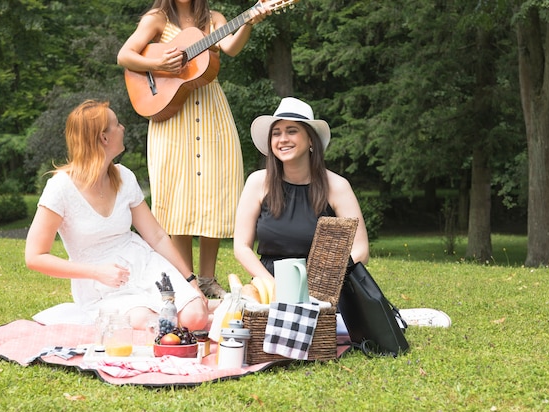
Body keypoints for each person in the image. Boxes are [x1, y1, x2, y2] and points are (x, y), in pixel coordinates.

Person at [116, 0, 271, 298]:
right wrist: (157, 65)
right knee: (178, 195)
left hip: (211, 112)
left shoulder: (213, 18)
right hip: (172, 114)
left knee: (214, 190)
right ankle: (185, 278)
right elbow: (125, 55)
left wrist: (250, 20)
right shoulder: (157, 19)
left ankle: (207, 278)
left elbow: (231, 47)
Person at [25, 100, 209, 331]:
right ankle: (213, 312)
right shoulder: (60, 187)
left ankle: (208, 310)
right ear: (104, 137)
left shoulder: (124, 176)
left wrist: (190, 281)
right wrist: (97, 273)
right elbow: (35, 257)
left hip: (144, 265)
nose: (122, 128)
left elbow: (157, 236)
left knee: (195, 317)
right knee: (148, 321)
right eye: (117, 124)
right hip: (100, 283)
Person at [233, 97, 370, 280]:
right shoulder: (258, 182)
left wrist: (320, 280)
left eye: (292, 131)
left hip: (323, 288)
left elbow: (361, 250)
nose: (283, 139)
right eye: (276, 133)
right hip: (270, 287)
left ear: (311, 140)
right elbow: (241, 247)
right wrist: (271, 284)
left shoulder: (337, 186)